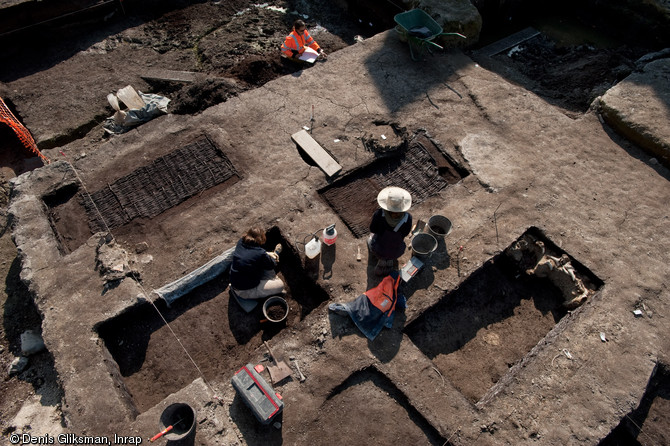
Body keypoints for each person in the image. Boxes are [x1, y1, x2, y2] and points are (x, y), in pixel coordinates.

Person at [230, 226, 284, 301]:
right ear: (261, 239)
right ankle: (269, 283)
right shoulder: (260, 253)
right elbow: (272, 264)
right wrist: (275, 254)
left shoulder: (240, 242)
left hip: (237, 279)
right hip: (244, 291)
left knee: (262, 263)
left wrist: (266, 254)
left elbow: (252, 255)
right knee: (280, 285)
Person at [368, 187, 413, 276]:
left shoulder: (379, 214)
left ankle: (381, 259)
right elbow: (406, 233)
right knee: (393, 247)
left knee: (371, 238)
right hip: (397, 251)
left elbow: (372, 229)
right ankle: (390, 259)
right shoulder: (408, 218)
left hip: (379, 248)